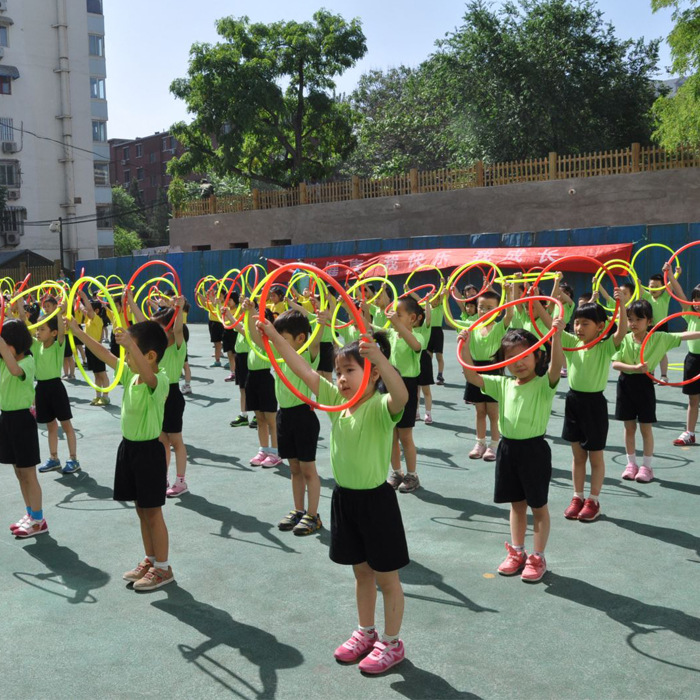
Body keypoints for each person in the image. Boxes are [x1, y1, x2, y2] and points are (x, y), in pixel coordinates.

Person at [258, 319, 409, 674]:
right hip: (345, 500)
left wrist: (382, 361)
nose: (340, 378)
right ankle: (366, 632)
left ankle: (391, 642)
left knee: (387, 578)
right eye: (338, 371)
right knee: (361, 573)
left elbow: (401, 394)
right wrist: (273, 335)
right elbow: (300, 367)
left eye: (349, 371)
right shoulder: (334, 401)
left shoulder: (382, 406)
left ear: (371, 374)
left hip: (377, 502)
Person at [69, 317, 174, 590]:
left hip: (150, 453)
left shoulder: (158, 381)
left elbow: (150, 377)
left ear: (150, 355)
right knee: (141, 510)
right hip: (129, 449)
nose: (125, 357)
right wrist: (77, 331)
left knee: (153, 512)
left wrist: (130, 345)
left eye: (130, 352)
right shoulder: (129, 374)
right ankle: (150, 560)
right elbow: (103, 353)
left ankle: (163, 568)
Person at [459, 317, 565, 583]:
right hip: (508, 450)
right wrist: (464, 344)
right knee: (517, 506)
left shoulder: (544, 384)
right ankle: (518, 552)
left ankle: (537, 557)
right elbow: (471, 374)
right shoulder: (503, 384)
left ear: (538, 355)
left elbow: (557, 366)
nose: (518, 363)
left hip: (534, 451)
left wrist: (558, 335)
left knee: (538, 506)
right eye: (511, 358)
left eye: (525, 356)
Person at [541, 294, 627, 521]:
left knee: (595, 457)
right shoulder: (570, 342)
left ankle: (593, 500)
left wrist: (622, 305)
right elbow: (544, 320)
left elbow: (621, 330)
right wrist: (533, 301)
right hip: (573, 402)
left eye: (585, 323)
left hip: (595, 405)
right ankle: (577, 496)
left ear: (600, 326)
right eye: (576, 323)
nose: (578, 327)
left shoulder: (605, 346)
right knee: (578, 456)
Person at [250, 309, 323, 535]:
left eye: (283, 338)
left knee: (308, 469)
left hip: (303, 416)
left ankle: (313, 514)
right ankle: (298, 509)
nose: (278, 342)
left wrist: (320, 325)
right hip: (285, 417)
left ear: (300, 338)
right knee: (294, 468)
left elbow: (314, 343)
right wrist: (250, 313)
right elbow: (255, 339)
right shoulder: (278, 355)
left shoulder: (306, 354)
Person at [612, 299, 700, 483]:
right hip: (625, 384)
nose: (633, 323)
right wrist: (634, 367)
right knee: (629, 427)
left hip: (645, 385)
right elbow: (615, 363)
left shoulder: (659, 338)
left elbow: (685, 335)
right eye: (630, 319)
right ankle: (631, 464)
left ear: (649, 321)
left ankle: (646, 466)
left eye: (638, 319)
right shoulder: (624, 339)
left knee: (645, 427)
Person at [1, 319, 47, 538]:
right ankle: (30, 514)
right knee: (19, 472)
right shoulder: (3, 360)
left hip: (22, 421)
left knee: (29, 473)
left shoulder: (27, 361)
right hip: (6, 418)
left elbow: (15, 370)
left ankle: (38, 520)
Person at [384, 296, 430, 494]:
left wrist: (396, 324)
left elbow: (415, 345)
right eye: (393, 314)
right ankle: (396, 472)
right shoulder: (391, 335)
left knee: (405, 435)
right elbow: (368, 327)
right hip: (389, 386)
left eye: (399, 314)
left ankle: (412, 474)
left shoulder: (418, 336)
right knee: (391, 435)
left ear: (412, 318)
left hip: (407, 387)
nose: (394, 317)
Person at [462, 289, 514, 461]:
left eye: (489, 307)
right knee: (479, 411)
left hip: (493, 370)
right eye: (481, 307)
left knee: (493, 411)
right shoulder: (472, 328)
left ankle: (494, 443)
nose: (484, 311)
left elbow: (510, 312)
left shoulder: (499, 328)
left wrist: (508, 290)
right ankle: (480, 442)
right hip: (476, 370)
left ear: (498, 310)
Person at [32, 311, 81, 475]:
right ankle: (54, 458)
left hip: (55, 388)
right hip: (41, 389)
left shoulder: (57, 346)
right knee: (50, 425)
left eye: (42, 329)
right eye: (37, 329)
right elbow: (24, 327)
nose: (38, 332)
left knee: (66, 424)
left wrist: (59, 313)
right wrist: (14, 306)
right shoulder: (36, 345)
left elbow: (61, 332)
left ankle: (73, 459)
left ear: (53, 333)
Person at [242, 300, 281, 467]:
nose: (258, 324)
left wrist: (252, 312)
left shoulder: (269, 342)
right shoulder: (253, 337)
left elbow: (252, 330)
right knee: (259, 417)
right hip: (252, 378)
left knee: (271, 418)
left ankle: (275, 452)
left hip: (266, 379)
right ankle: (263, 449)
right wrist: (248, 312)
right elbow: (245, 328)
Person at [665, 270, 700, 446]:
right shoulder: (689, 312)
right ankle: (690, 432)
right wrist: (670, 275)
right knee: (693, 399)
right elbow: (678, 292)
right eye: (695, 298)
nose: (697, 302)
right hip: (693, 360)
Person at [78, 290, 110, 405]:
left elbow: (89, 309)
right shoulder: (88, 319)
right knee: (96, 374)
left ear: (96, 310)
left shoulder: (97, 319)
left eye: (89, 308)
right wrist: (75, 300)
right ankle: (98, 396)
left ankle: (105, 396)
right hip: (90, 349)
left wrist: (84, 296)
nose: (86, 310)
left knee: (102, 374)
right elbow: (82, 308)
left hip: (97, 348)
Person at [642, 271, 674, 382]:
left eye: (657, 287)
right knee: (649, 351)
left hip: (662, 327)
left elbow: (671, 284)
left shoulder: (665, 297)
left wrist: (675, 274)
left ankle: (664, 375)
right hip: (649, 327)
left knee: (661, 352)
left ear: (663, 288)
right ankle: (651, 373)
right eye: (651, 286)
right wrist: (637, 281)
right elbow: (638, 287)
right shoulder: (646, 296)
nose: (654, 289)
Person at [428, 288, 447, 385]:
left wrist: (443, 284)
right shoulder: (427, 307)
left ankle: (440, 375)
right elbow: (417, 298)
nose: (435, 300)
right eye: (432, 298)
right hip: (428, 333)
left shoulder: (440, 307)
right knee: (428, 357)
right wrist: (408, 289)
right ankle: (428, 375)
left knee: (439, 356)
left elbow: (445, 295)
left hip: (438, 333)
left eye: (437, 299)